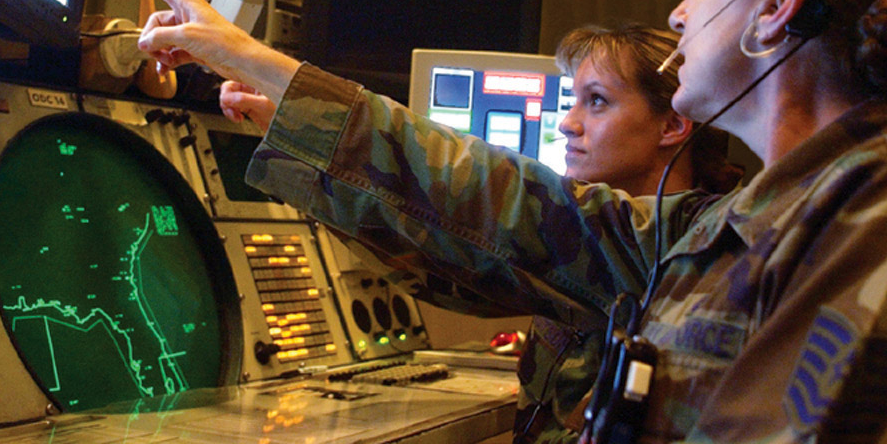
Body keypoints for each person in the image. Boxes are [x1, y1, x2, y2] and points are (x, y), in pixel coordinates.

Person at [132, 0, 887, 442]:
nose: (681, 12)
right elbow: (505, 206)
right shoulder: (727, 225)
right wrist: (265, 70)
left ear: (775, 8)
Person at [220, 24, 742, 442]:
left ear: (673, 125)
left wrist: (255, 63)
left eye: (598, 101)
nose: (568, 123)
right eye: (573, 100)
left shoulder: (687, 241)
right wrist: (297, 143)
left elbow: (492, 199)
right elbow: (454, 272)